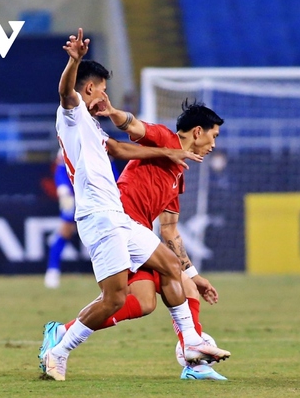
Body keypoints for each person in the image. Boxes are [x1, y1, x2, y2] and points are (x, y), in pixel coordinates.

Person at [39, 28, 229, 382]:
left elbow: (122, 149)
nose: (105, 95)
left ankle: (190, 344)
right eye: (103, 89)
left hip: (120, 218)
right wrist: (74, 61)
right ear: (90, 88)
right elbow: (67, 92)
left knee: (171, 267)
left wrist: (168, 154)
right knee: (113, 299)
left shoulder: (94, 130)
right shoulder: (72, 113)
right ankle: (59, 349)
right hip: (98, 216)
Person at [44, 150, 120, 289]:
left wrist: (117, 189)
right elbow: (61, 170)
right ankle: (52, 270)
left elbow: (111, 170)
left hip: (98, 196)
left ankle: (114, 271)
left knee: (110, 231)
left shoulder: (100, 143)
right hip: (74, 196)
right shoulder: (68, 144)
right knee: (65, 230)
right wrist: (63, 189)